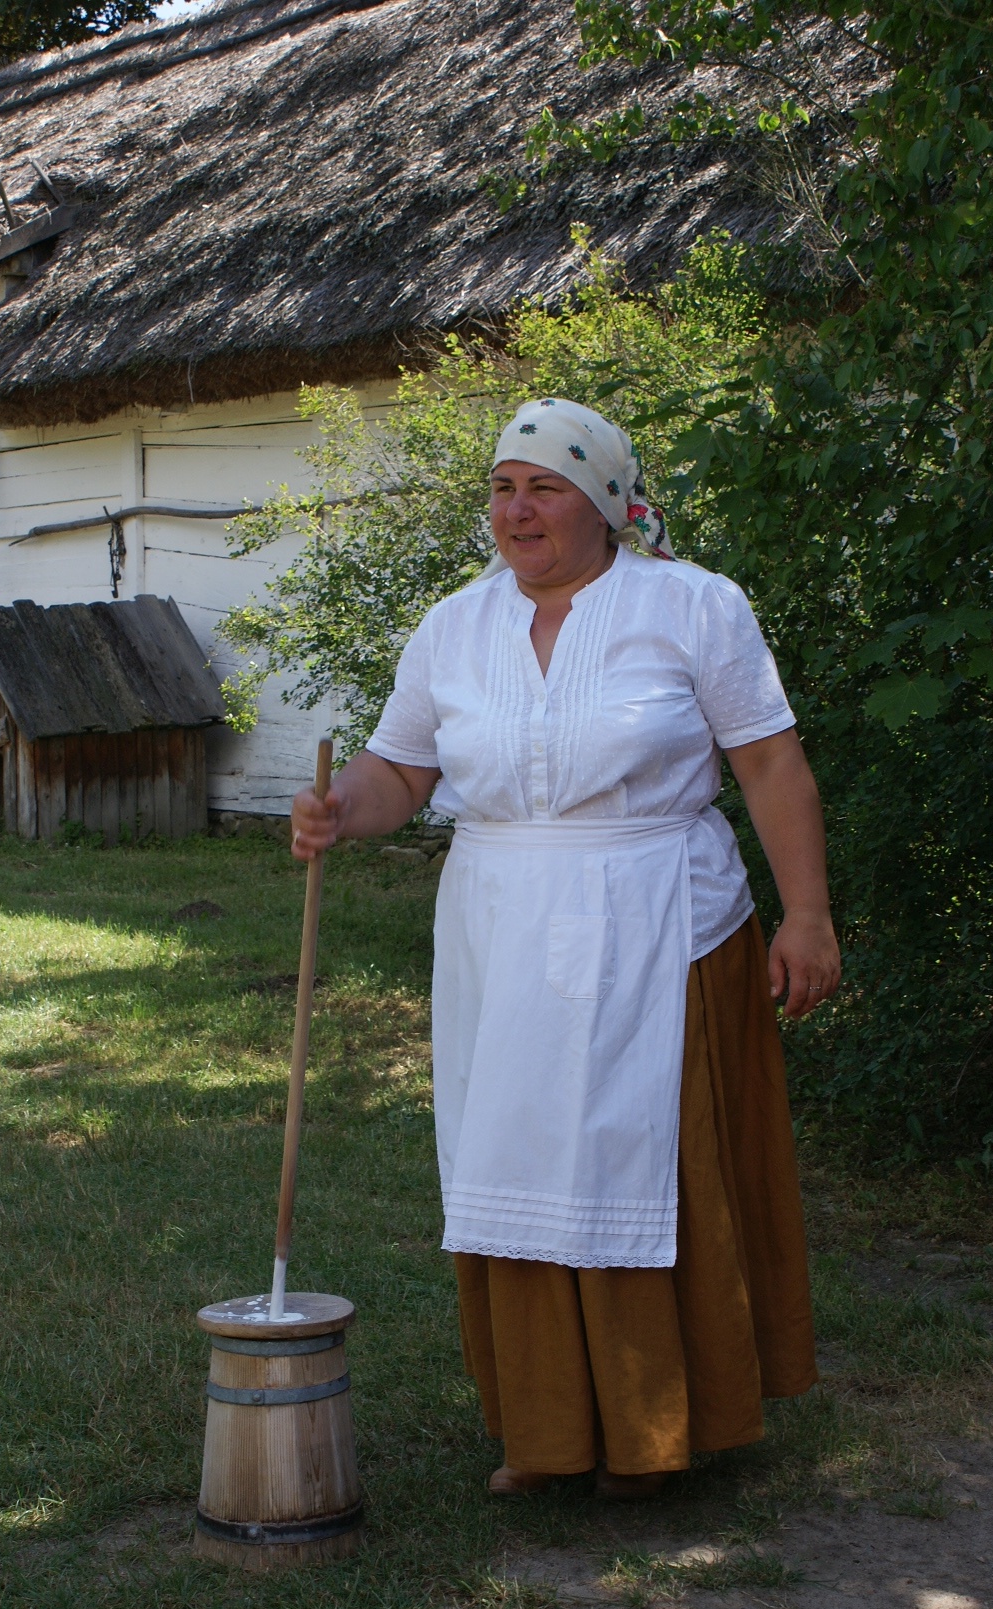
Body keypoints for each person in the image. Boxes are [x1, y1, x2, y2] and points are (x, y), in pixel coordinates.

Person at [291, 397, 840, 1498]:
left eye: (543, 486)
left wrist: (806, 916)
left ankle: (661, 1430)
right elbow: (400, 773)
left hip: (659, 924)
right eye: (501, 487)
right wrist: (339, 809)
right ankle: (547, 1435)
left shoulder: (689, 608)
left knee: (647, 1162)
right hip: (500, 929)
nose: (517, 509)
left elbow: (770, 767)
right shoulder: (453, 626)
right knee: (514, 1156)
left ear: (602, 502)